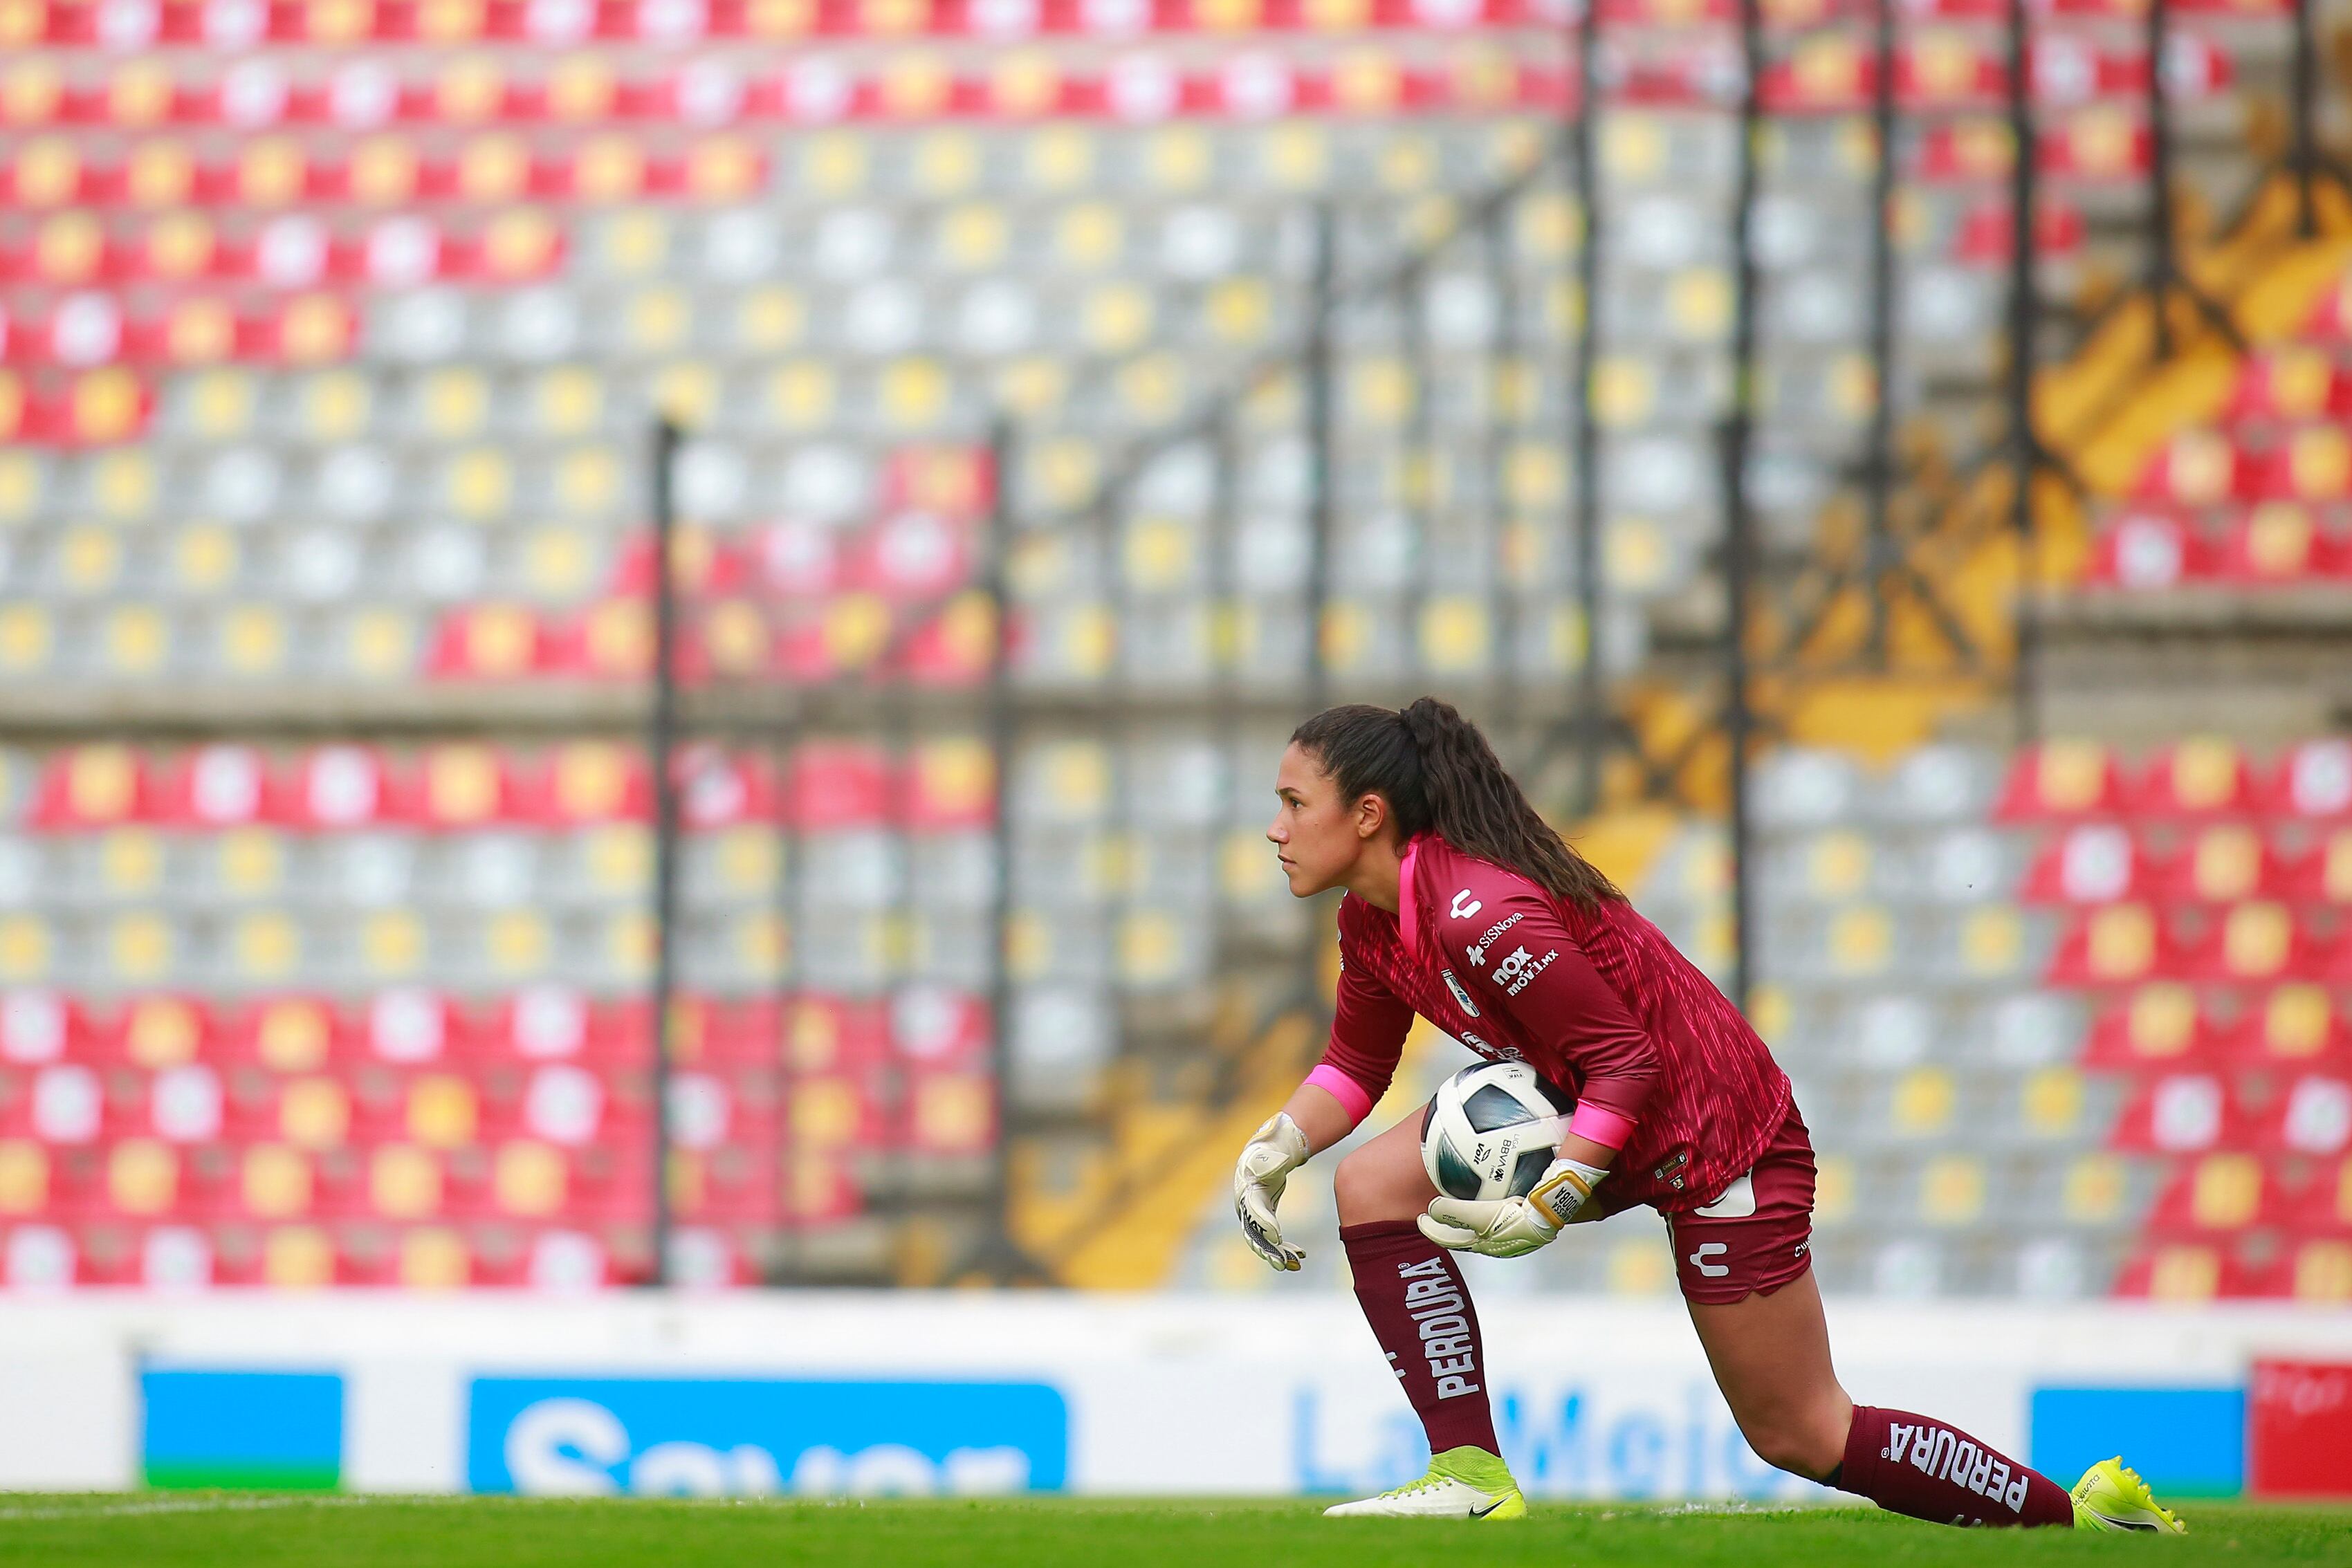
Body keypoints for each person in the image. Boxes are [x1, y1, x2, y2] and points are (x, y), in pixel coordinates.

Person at [1233, 698, 2183, 1531]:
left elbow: (1626, 1057)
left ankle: (2078, 1517)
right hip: (1610, 1111)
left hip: (1719, 1137)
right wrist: (1278, 1148)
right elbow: (1358, 1063)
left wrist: (1556, 1197)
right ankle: (1468, 1473)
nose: (1275, 827)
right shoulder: (1371, 921)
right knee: (1367, 1184)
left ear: (1367, 814)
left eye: (1292, 802)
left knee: (1803, 1434)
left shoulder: (1481, 911)